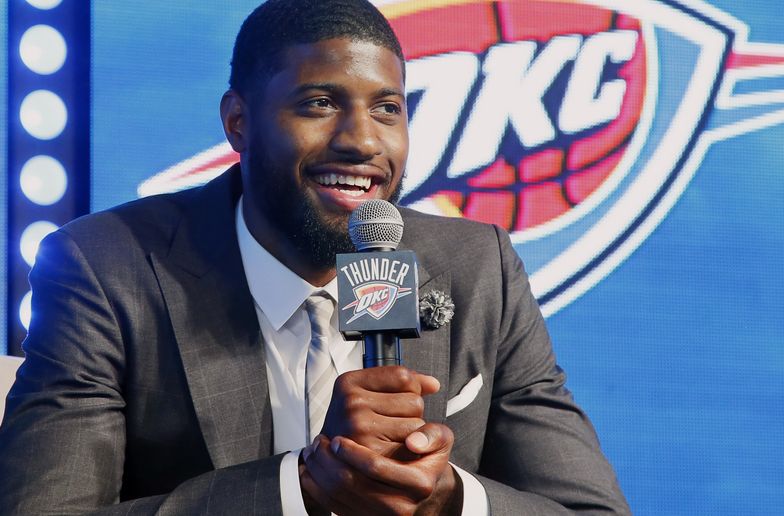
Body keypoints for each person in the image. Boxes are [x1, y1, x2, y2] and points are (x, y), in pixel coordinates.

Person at [0, 0, 630, 514]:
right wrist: (295, 486)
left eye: (388, 109)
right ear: (238, 122)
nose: (361, 141)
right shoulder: (105, 267)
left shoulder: (478, 267)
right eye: (319, 104)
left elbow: (587, 510)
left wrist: (450, 499)